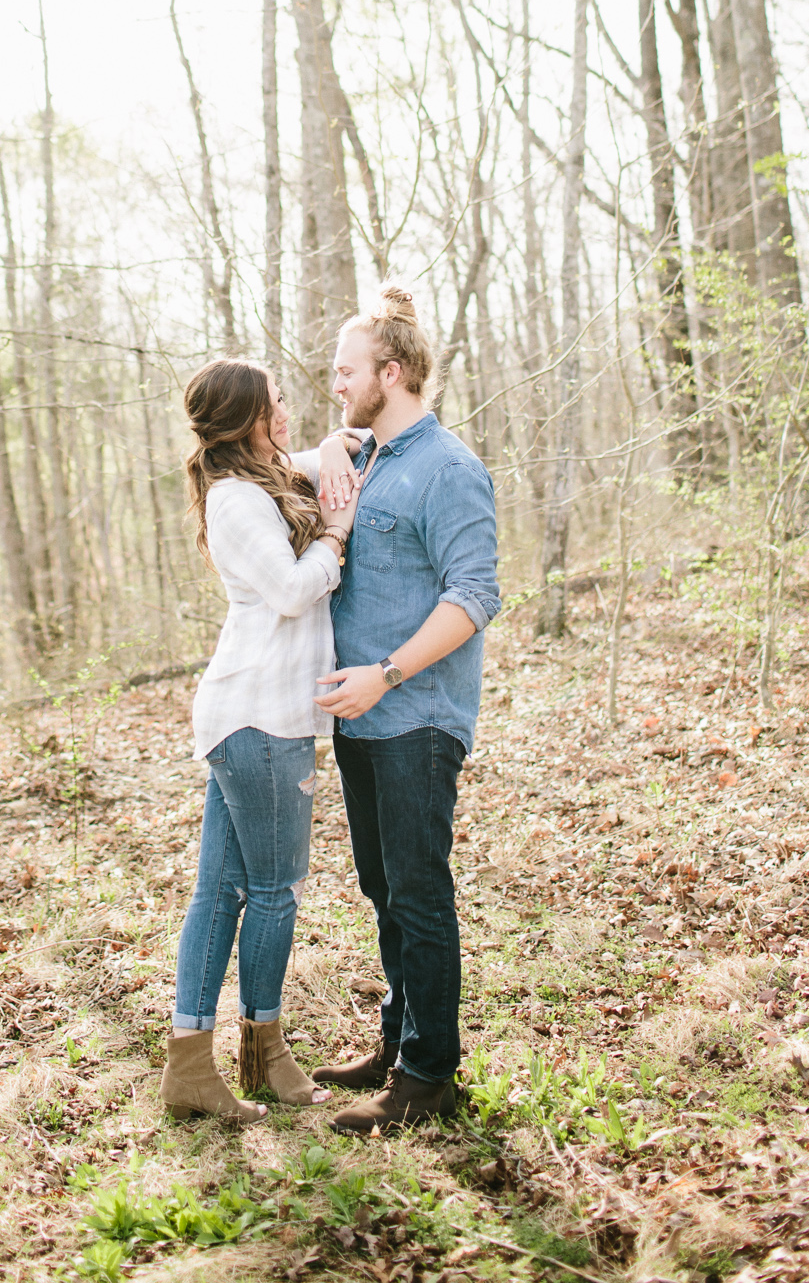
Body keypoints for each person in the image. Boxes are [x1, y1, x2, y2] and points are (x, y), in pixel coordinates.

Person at [309, 285, 501, 1136]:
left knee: (419, 894)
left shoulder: (449, 469)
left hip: (416, 716)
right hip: (362, 718)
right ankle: (395, 1044)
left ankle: (428, 1078)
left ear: (392, 373)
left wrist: (385, 674)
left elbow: (474, 595)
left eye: (347, 371)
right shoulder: (369, 458)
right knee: (384, 890)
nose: (335, 382)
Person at [159, 358, 363, 1125]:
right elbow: (288, 591)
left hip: (252, 716)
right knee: (274, 892)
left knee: (220, 893)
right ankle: (263, 1051)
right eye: (274, 403)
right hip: (261, 718)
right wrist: (334, 537)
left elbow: (316, 459)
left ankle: (195, 1066)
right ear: (245, 416)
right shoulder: (238, 500)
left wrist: (335, 446)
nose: (285, 411)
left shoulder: (258, 479)